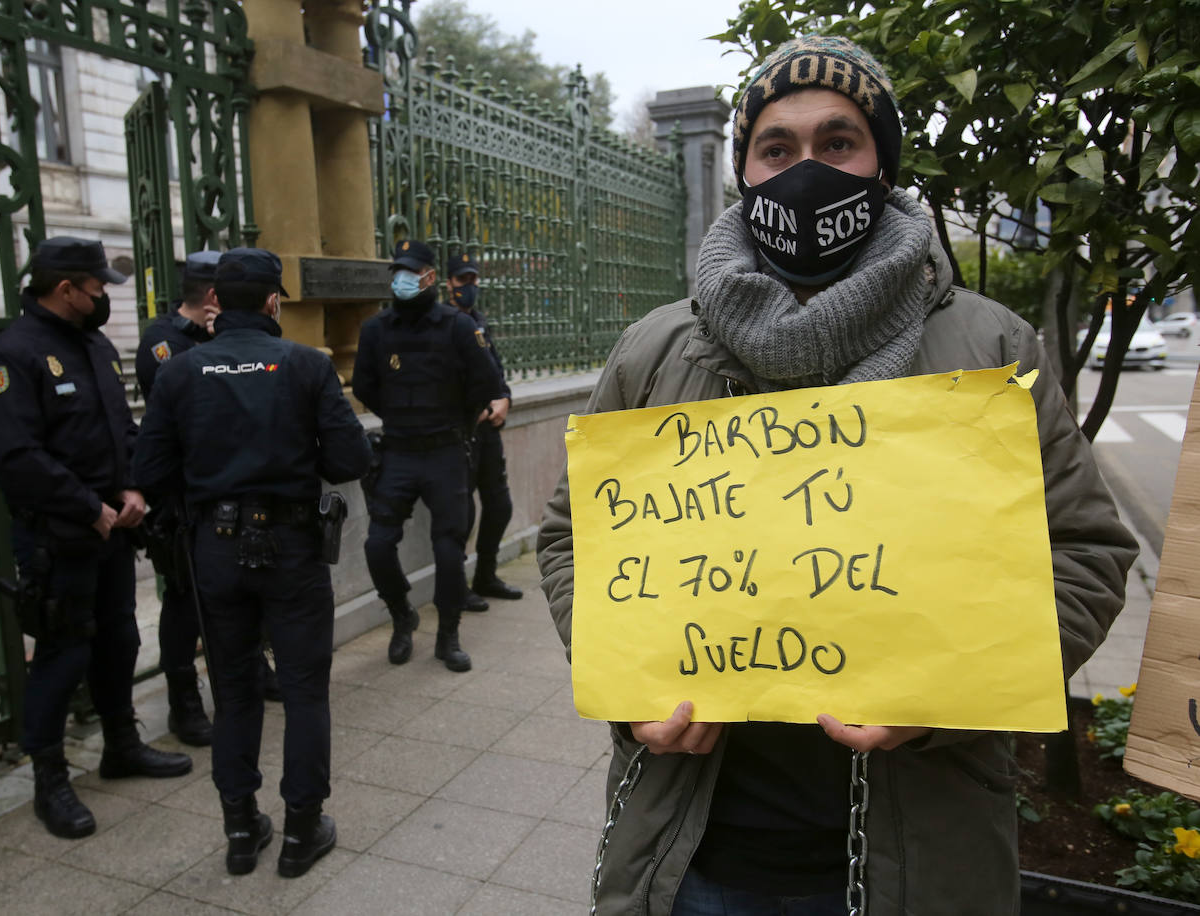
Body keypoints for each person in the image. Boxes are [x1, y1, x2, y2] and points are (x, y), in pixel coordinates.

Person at [535, 36, 1139, 915]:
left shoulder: (989, 346)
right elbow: (570, 538)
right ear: (744, 168)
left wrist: (949, 698)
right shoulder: (656, 349)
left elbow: (1083, 552)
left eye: (838, 142)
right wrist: (624, 686)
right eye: (776, 148)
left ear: (881, 164)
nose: (805, 169)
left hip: (919, 855)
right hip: (697, 856)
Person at [133, 247, 370, 878]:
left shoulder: (180, 372)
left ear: (216, 302)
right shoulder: (304, 365)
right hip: (291, 547)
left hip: (215, 547)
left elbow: (149, 471)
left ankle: (241, 831)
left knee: (234, 691)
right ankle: (299, 833)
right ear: (273, 302)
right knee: (303, 689)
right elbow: (350, 460)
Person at [0, 236, 192, 841]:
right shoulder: (9, 357)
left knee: (119, 637)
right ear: (66, 288)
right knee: (63, 652)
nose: (104, 298)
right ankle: (49, 779)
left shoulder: (94, 346)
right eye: (97, 288)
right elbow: (15, 455)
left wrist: (131, 489)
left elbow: (120, 428)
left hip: (113, 527)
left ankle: (121, 744)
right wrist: (86, 507)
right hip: (57, 534)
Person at [353, 240, 503, 672]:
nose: (402, 279)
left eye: (411, 271)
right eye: (397, 271)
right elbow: (364, 387)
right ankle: (402, 614)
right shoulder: (376, 329)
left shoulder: (456, 326)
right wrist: (402, 414)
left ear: (430, 277)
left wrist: (455, 419)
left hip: (445, 452)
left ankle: (448, 635)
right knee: (378, 545)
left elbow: (487, 381)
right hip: (398, 450)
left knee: (449, 550)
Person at [135, 250, 220, 747]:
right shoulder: (162, 343)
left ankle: (250, 667)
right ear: (213, 297)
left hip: (225, 484)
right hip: (183, 495)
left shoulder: (216, 335)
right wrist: (216, 345)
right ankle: (182, 701)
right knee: (184, 601)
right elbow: (189, 403)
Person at [444, 252, 522, 613]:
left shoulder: (477, 320)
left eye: (473, 280)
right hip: (461, 431)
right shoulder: (442, 323)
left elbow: (495, 368)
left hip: (488, 428)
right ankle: (455, 588)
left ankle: (486, 575)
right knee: (462, 515)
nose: (468, 287)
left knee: (499, 505)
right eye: (462, 281)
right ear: (447, 284)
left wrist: (503, 399)